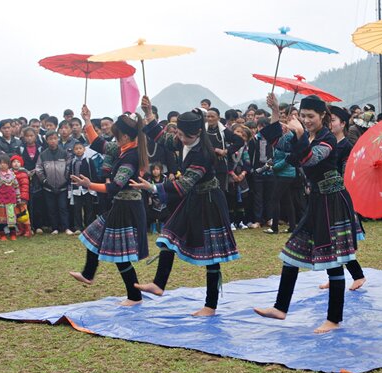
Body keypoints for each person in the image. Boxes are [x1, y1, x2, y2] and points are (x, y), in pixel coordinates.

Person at [254, 94, 359, 334]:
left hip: (332, 202)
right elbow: (278, 143)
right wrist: (274, 113)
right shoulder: (302, 135)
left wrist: (300, 134)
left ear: (323, 116)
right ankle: (280, 308)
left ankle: (333, 319)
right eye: (303, 116)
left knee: (333, 262)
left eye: (310, 116)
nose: (306, 120)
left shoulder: (328, 139)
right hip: (315, 202)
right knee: (291, 254)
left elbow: (310, 160)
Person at [133, 97, 240, 316]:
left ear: (197, 133)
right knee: (168, 238)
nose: (180, 139)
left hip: (209, 202)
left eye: (184, 136)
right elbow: (162, 138)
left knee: (213, 254)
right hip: (193, 199)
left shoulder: (202, 154)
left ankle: (210, 305)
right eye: (179, 134)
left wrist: (153, 188)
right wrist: (149, 114)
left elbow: (184, 184)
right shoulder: (182, 140)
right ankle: (158, 284)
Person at [69, 105, 149, 307]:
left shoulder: (130, 157)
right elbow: (98, 143)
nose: (113, 138)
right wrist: (87, 120)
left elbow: (115, 186)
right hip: (120, 205)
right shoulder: (123, 148)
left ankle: (134, 296)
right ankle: (88, 274)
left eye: (116, 134)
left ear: (123, 137)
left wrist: (89, 185)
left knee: (121, 256)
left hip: (127, 208)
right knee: (93, 235)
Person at [318, 105, 367, 291]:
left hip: (339, 196)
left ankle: (358, 275)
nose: (329, 124)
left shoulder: (346, 146)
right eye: (327, 120)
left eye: (332, 121)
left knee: (340, 240)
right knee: (331, 240)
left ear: (343, 123)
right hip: (325, 196)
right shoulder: (327, 143)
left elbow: (348, 174)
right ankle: (335, 275)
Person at [36, 131, 71, 235]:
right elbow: (38, 169)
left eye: (55, 138)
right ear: (47, 140)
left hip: (63, 187)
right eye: (50, 139)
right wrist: (45, 181)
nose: (53, 141)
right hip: (48, 187)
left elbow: (69, 167)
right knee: (51, 208)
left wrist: (65, 180)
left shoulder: (64, 153)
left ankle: (66, 228)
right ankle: (54, 228)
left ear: (58, 139)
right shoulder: (43, 154)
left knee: (63, 207)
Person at [0, 155, 21, 241]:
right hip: (0, 200)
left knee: (12, 218)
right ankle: (2, 235)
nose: (2, 165)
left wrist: (18, 198)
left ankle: (13, 234)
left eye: (5, 163)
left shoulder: (12, 175)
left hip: (11, 199)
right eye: (0, 163)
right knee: (1, 219)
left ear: (8, 164)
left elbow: (16, 186)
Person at [68, 142, 98, 234]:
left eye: (80, 148)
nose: (78, 150)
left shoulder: (89, 160)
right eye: (76, 149)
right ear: (74, 151)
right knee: (77, 208)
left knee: (89, 208)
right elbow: (70, 174)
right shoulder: (72, 162)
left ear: (84, 149)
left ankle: (89, 226)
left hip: (88, 189)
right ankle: (78, 227)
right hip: (76, 189)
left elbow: (94, 174)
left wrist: (93, 186)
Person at [10, 155, 31, 237]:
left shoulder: (23, 173)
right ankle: (20, 229)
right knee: (17, 214)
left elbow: (25, 186)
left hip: (22, 197)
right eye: (14, 162)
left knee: (24, 214)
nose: (16, 164)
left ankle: (27, 229)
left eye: (18, 162)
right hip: (13, 197)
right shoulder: (9, 173)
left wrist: (23, 197)